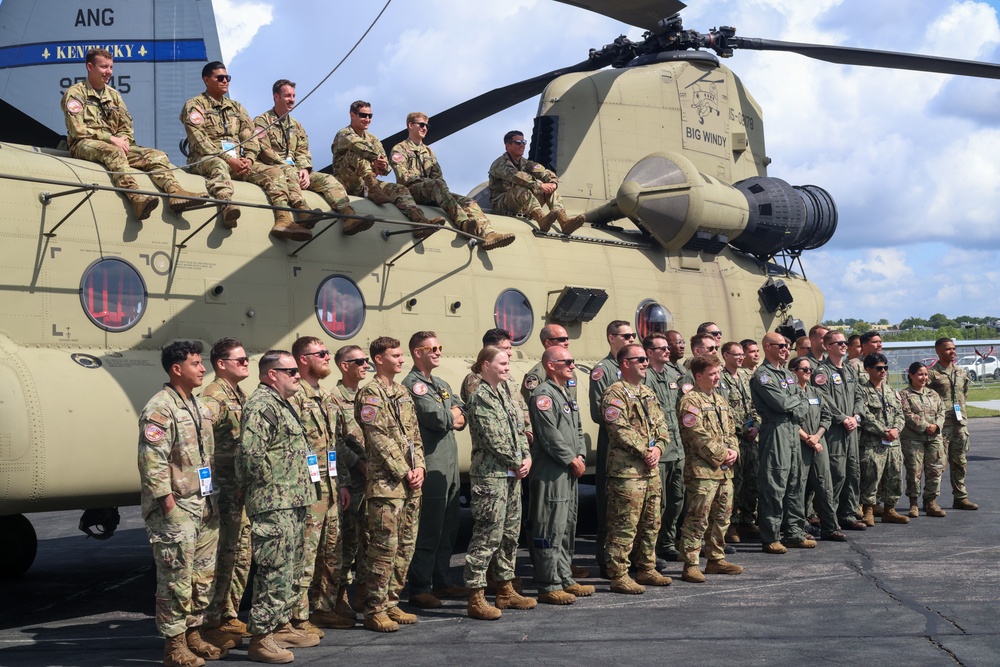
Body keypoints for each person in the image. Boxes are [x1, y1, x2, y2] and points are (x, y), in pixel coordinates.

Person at [138, 341, 224, 667]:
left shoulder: (197, 405)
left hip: (203, 504)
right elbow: (151, 463)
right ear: (177, 369)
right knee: (176, 578)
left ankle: (192, 633)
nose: (203, 368)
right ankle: (173, 646)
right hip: (176, 509)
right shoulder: (160, 408)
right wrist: (169, 506)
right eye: (196, 363)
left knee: (201, 576)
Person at [237, 351, 319, 663]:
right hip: (275, 505)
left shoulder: (280, 403)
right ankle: (260, 638)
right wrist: (273, 489)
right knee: (274, 571)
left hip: (292, 502)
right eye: (291, 371)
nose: (298, 375)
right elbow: (252, 455)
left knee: (290, 569)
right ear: (273, 374)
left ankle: (278, 627)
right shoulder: (262, 405)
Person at [62, 48, 204, 220]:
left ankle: (176, 194)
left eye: (111, 67)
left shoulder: (114, 95)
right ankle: (136, 198)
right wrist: (111, 139)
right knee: (114, 152)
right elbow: (77, 129)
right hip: (83, 144)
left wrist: (124, 140)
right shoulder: (76, 93)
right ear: (90, 67)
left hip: (115, 144)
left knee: (156, 156)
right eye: (103, 67)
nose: (108, 72)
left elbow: (125, 125)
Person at [181, 61, 315, 241]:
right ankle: (227, 205)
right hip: (206, 158)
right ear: (206, 80)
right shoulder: (195, 105)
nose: (225, 81)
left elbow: (250, 138)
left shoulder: (236, 108)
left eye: (227, 78)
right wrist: (230, 161)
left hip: (239, 161)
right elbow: (199, 140)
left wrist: (250, 159)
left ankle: (284, 219)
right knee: (218, 164)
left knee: (274, 172)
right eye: (219, 78)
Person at [355, 336, 426, 632]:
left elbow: (415, 435)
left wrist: (420, 465)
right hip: (387, 484)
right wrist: (403, 470)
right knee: (383, 548)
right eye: (395, 355)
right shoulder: (370, 393)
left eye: (401, 355)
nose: (401, 359)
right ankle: (375, 608)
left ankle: (392, 601)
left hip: (411, 482)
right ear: (379, 359)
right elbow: (377, 437)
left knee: (406, 546)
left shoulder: (401, 391)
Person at [464, 345, 536, 619]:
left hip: (511, 474)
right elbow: (493, 437)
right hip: (491, 477)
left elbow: (519, 430)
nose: (507, 367)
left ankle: (505, 589)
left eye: (508, 363)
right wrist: (517, 460)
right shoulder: (480, 396)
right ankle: (476, 596)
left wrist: (526, 456)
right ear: (485, 365)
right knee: (487, 535)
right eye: (502, 362)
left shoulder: (505, 393)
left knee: (509, 535)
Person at [288, 337, 353, 633]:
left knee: (331, 551)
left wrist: (340, 483)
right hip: (306, 489)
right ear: (303, 359)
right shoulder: (294, 395)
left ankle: (323, 608)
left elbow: (332, 444)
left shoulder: (323, 394)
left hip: (328, 486)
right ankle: (297, 616)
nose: (327, 357)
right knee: (305, 553)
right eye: (321, 353)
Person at [254, 80, 373, 236]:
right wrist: (290, 168)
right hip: (278, 169)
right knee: (288, 173)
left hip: (297, 171)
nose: (292, 99)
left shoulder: (297, 126)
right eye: (287, 96)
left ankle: (349, 216)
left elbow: (303, 151)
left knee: (328, 180)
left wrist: (304, 169)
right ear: (276, 97)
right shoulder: (262, 122)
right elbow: (265, 151)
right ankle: (303, 212)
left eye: (294, 96)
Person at [401, 332, 468, 609]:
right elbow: (437, 418)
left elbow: (462, 415)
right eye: (433, 348)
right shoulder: (413, 385)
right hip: (432, 462)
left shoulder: (439, 383)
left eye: (440, 347)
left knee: (449, 523)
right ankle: (420, 585)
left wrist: (453, 416)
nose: (438, 352)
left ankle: (442, 579)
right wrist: (450, 415)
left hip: (449, 463)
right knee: (429, 525)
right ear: (418, 352)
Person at [601, 343, 673, 593]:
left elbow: (663, 426)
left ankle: (646, 568)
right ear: (625, 363)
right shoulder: (614, 393)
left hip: (650, 470)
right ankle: (619, 574)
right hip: (627, 473)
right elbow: (619, 429)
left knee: (652, 522)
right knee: (625, 524)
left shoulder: (648, 393)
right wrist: (645, 451)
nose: (645, 363)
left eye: (645, 359)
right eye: (639, 359)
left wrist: (659, 449)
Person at [527, 346, 594, 604]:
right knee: (549, 525)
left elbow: (577, 430)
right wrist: (570, 459)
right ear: (551, 365)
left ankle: (564, 575)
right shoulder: (543, 395)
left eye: (573, 361)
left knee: (567, 525)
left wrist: (581, 457)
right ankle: (548, 582)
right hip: (552, 471)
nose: (572, 365)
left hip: (568, 470)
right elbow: (549, 436)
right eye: (566, 361)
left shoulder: (565, 394)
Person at [391, 112, 514, 250]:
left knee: (468, 201)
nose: (425, 128)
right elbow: (404, 178)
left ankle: (488, 234)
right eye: (421, 125)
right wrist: (430, 182)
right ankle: (464, 223)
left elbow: (438, 176)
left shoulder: (428, 152)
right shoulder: (399, 149)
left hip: (434, 191)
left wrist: (437, 186)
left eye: (427, 125)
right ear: (410, 125)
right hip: (412, 192)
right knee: (437, 185)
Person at [332, 101, 446, 240]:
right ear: (352, 115)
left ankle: (420, 222)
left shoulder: (373, 139)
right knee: (356, 154)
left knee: (399, 189)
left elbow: (386, 168)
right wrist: (376, 159)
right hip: (346, 182)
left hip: (366, 184)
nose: (367, 119)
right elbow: (359, 147)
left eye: (370, 116)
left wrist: (382, 164)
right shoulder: (344, 134)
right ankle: (373, 188)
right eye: (363, 115)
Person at [200, 338, 252, 641]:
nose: (246, 363)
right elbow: (202, 446)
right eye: (240, 359)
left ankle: (228, 614)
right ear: (221, 364)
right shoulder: (214, 398)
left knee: (241, 555)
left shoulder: (240, 395)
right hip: (224, 492)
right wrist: (208, 492)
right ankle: (211, 621)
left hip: (240, 492)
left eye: (246, 359)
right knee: (222, 558)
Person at [677, 355, 745, 582]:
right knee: (698, 518)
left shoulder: (720, 400)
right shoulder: (690, 401)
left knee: (722, 517)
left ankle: (715, 559)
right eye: (712, 374)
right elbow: (696, 435)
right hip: (702, 472)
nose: (717, 378)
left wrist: (734, 450)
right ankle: (690, 564)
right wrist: (723, 455)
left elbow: (731, 431)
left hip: (725, 472)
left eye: (718, 373)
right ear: (698, 376)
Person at [751, 333, 813, 554]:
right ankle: (771, 536)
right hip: (775, 429)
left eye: (788, 346)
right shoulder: (763, 375)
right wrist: (794, 403)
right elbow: (780, 403)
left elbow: (803, 402)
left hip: (792, 428)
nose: (787, 349)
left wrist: (793, 403)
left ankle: (795, 533)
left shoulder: (788, 374)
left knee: (795, 482)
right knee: (775, 483)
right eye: (782, 345)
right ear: (767, 347)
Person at [589, 320, 633, 576]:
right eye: (625, 335)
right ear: (611, 338)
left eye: (632, 335)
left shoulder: (636, 366)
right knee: (609, 502)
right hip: (614, 443)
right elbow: (599, 412)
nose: (630, 339)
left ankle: (631, 557)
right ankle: (606, 559)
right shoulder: (603, 370)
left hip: (635, 448)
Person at [329, 345, 371, 619]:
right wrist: (358, 463)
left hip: (371, 481)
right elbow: (334, 440)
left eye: (367, 360)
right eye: (359, 361)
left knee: (369, 539)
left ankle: (365, 595)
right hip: (349, 480)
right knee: (346, 542)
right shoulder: (333, 399)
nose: (365, 365)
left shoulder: (367, 396)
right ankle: (340, 596)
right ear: (344, 366)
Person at [812, 330, 867, 531]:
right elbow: (823, 400)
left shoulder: (850, 371)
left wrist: (856, 417)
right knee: (836, 473)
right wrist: (843, 418)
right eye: (839, 343)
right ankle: (830, 517)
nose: (844, 345)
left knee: (853, 471)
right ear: (828, 346)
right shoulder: (821, 373)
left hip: (852, 429)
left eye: (845, 342)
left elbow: (860, 396)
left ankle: (848, 514)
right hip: (835, 430)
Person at [788, 356, 845, 541]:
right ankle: (797, 528)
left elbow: (826, 417)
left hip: (818, 443)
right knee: (798, 487)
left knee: (825, 486)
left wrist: (817, 436)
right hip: (800, 444)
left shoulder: (815, 393)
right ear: (793, 372)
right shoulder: (790, 394)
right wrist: (807, 439)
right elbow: (789, 420)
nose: (808, 372)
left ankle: (831, 527)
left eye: (809, 370)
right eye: (804, 369)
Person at [488, 130, 584, 235]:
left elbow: (542, 171)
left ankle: (564, 222)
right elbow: (517, 177)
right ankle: (541, 219)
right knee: (522, 188)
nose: (522, 145)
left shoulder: (526, 163)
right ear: (508, 146)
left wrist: (552, 182)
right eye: (518, 142)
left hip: (521, 203)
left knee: (551, 191)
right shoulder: (499, 164)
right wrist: (540, 185)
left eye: (524, 142)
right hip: (502, 204)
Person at [642, 332, 685, 567]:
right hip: (658, 448)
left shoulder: (673, 374)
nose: (668, 351)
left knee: (677, 499)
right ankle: (651, 549)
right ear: (649, 353)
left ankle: (668, 543)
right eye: (662, 349)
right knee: (658, 503)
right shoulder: (645, 376)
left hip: (677, 447)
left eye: (668, 348)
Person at [927, 338, 979, 510]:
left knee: (960, 462)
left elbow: (965, 394)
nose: (952, 352)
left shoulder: (961, 373)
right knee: (937, 464)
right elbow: (924, 396)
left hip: (959, 424)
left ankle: (960, 497)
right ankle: (931, 500)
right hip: (941, 425)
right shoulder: (932, 374)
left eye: (953, 348)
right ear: (938, 351)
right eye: (947, 349)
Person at [858, 353, 908, 525]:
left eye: (885, 368)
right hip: (872, 442)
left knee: (894, 475)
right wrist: (883, 430)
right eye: (879, 368)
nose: (883, 371)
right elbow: (864, 415)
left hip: (892, 443)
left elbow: (900, 414)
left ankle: (889, 509)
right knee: (871, 476)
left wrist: (896, 429)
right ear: (868, 369)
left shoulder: (891, 391)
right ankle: (868, 510)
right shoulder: (861, 390)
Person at [720, 341, 760, 542]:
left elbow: (754, 404)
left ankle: (747, 519)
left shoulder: (746, 376)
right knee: (736, 482)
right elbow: (724, 409)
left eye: (741, 355)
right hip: (734, 438)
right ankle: (732, 524)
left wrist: (756, 426)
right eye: (736, 354)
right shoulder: (720, 378)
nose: (740, 358)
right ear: (726, 355)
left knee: (751, 480)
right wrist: (742, 430)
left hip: (751, 437)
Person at [899, 362, 947, 518]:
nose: (924, 377)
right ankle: (914, 503)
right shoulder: (904, 394)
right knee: (914, 471)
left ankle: (931, 502)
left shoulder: (933, 394)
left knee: (935, 469)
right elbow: (907, 414)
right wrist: (926, 426)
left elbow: (942, 411)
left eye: (926, 374)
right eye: (920, 374)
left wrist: (936, 426)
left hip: (934, 438)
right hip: (914, 439)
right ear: (911, 375)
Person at [521, 323, 578, 404]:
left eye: (567, 339)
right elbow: (531, 407)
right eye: (562, 339)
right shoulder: (537, 376)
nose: (567, 342)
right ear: (548, 343)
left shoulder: (570, 371)